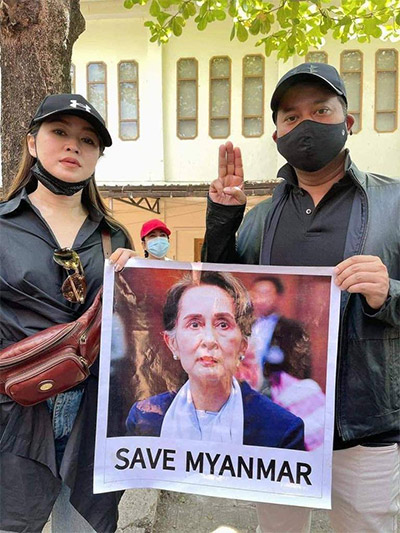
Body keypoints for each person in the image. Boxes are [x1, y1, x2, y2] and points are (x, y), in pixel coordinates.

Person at [202, 63, 400, 532]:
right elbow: (220, 293)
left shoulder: (394, 204)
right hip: (278, 431)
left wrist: (387, 293)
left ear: (347, 122)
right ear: (276, 136)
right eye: (290, 117)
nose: (305, 124)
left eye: (321, 110)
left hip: (366, 428)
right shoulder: (260, 217)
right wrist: (223, 218)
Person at [0, 94, 136, 532]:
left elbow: (133, 334)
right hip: (13, 416)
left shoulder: (114, 237)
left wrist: (137, 285)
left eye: (88, 140)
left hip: (92, 419)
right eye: (59, 133)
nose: (73, 146)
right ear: (33, 144)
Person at [126, 271, 305, 449]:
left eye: (223, 324)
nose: (209, 340)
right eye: (194, 324)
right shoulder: (144, 418)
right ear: (172, 343)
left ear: (243, 345)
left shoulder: (282, 430)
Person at [244, 276, 325, 451]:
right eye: (256, 293)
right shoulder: (243, 326)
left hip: (278, 392)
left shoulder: (292, 328)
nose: (260, 298)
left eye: (266, 293)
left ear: (278, 297)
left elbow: (302, 366)